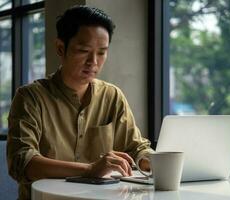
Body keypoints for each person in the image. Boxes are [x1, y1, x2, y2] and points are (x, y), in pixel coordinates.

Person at [6, 5, 153, 200]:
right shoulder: (30, 98)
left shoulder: (112, 96)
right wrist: (90, 169)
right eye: (84, 51)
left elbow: (136, 148)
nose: (93, 61)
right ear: (61, 48)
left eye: (102, 52)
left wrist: (153, 161)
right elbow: (22, 163)